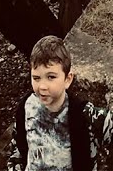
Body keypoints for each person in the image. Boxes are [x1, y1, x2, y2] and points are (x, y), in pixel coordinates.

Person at [6, 35, 113, 171]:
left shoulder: (85, 114)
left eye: (51, 77)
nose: (42, 86)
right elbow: (17, 149)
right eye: (36, 78)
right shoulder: (26, 107)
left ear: (68, 79)